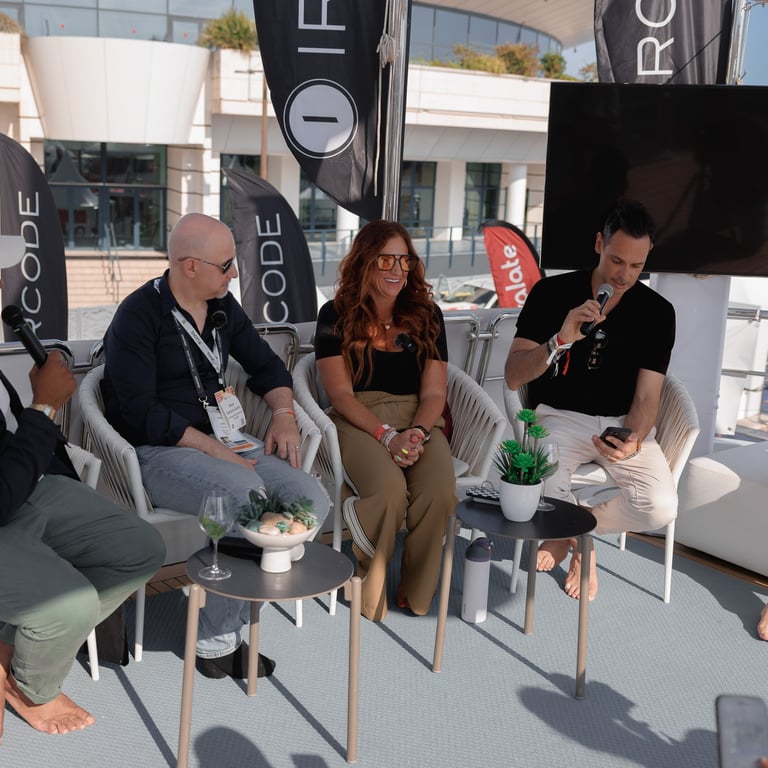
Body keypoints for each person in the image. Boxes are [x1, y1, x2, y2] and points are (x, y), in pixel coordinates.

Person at [101, 213, 329, 680]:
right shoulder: (138, 316)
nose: (235, 273)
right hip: (157, 451)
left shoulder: (223, 305)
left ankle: (232, 615)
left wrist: (283, 415)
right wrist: (216, 451)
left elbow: (267, 366)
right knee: (245, 499)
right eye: (226, 265)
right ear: (190, 266)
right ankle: (217, 644)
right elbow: (142, 413)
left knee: (310, 499)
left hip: (229, 442)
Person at [0, 246, 165, 742]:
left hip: (23, 486)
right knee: (69, 605)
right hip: (5, 501)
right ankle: (33, 688)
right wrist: (45, 407)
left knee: (141, 549)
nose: (1, 286)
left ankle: (10, 651)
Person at [504, 199, 677, 601]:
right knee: (539, 484)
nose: (624, 275)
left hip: (620, 424)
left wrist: (634, 437)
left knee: (660, 507)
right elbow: (513, 374)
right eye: (617, 261)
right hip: (560, 417)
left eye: (636, 265)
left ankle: (573, 528)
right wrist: (560, 339)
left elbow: (647, 396)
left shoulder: (658, 312)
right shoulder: (551, 293)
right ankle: (584, 546)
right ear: (599, 243)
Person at [314, 220, 456, 621]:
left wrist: (417, 433)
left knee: (439, 490)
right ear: (365, 261)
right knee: (390, 491)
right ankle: (369, 584)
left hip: (417, 419)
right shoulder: (334, 315)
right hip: (359, 420)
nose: (397, 270)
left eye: (404, 260)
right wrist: (387, 436)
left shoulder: (428, 315)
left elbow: (434, 394)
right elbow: (340, 395)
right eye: (386, 260)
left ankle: (417, 588)